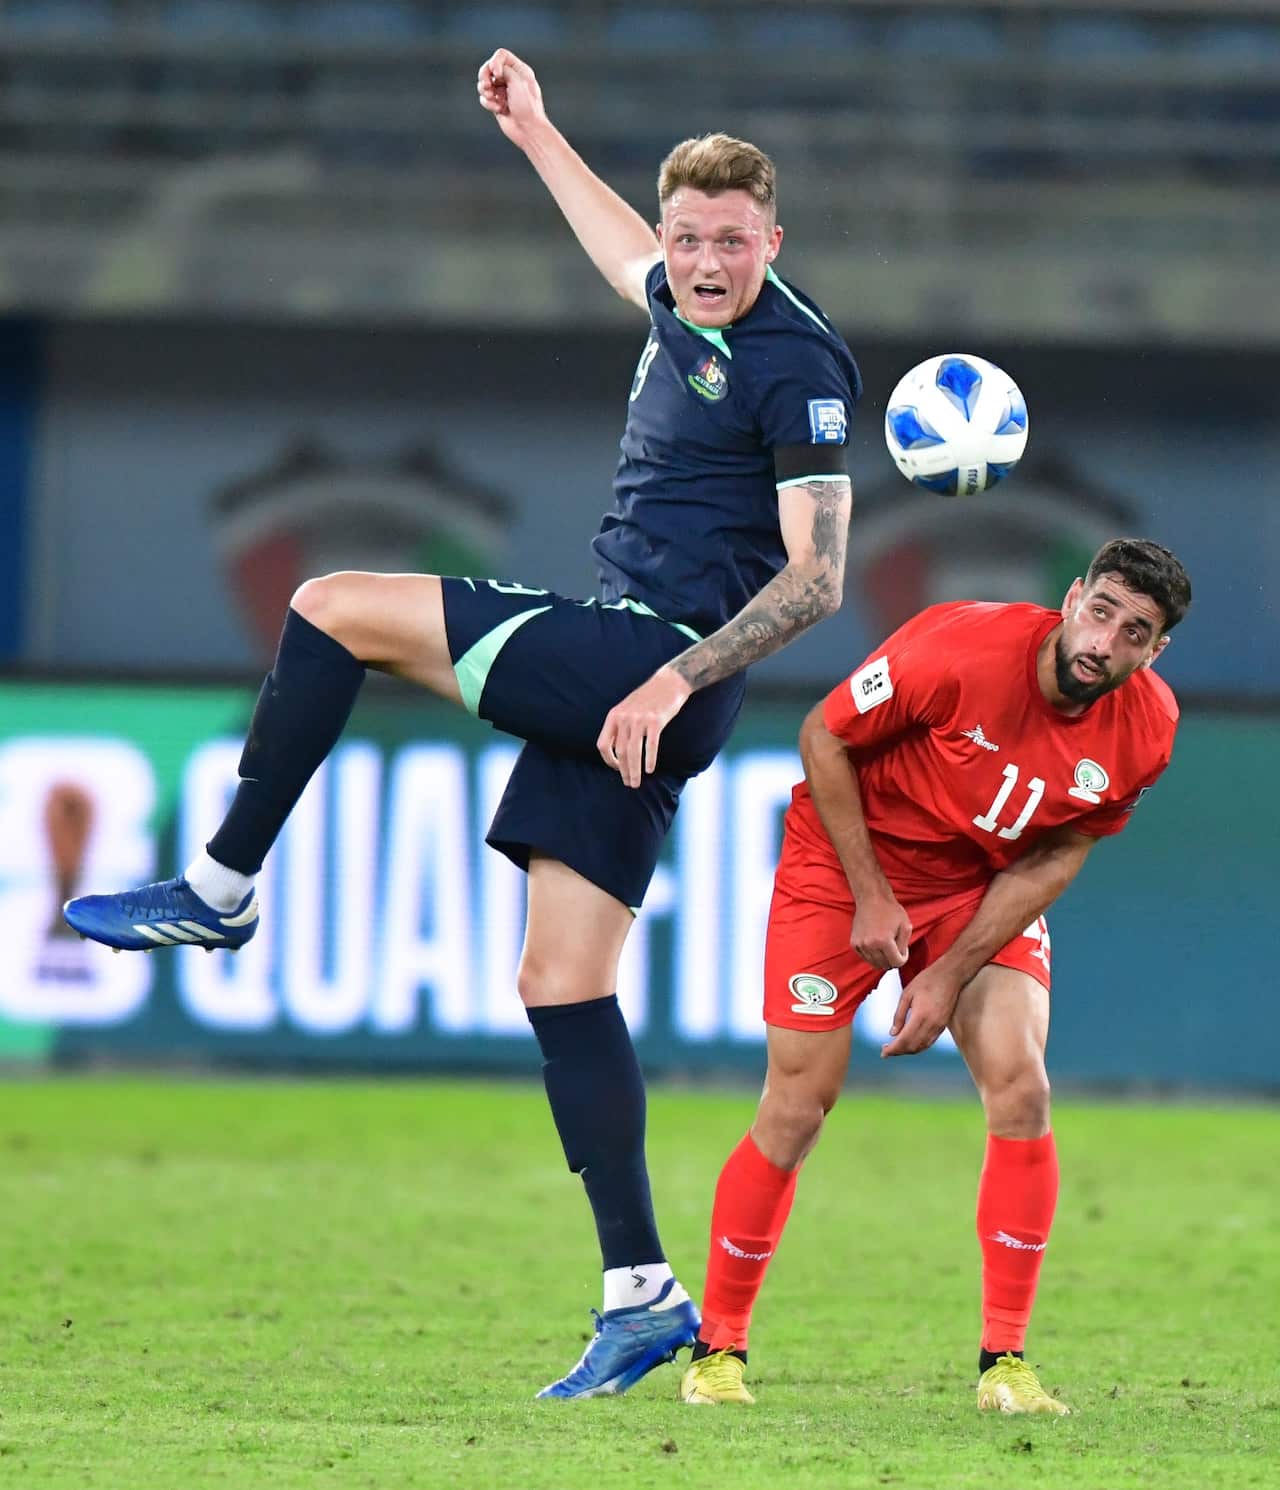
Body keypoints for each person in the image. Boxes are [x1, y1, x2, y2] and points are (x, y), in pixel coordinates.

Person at [64, 49, 863, 1398]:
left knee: (329, 607)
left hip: (654, 660)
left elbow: (821, 576)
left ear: (770, 242)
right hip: (634, 689)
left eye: (730, 240)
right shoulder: (673, 292)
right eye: (687, 237)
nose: (702, 261)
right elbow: (619, 250)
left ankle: (220, 887)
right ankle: (640, 1291)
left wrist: (673, 678)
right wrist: (534, 130)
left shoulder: (798, 360)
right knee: (561, 982)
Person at [678, 538, 1191, 1413]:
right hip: (840, 869)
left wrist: (949, 971)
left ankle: (1006, 1364)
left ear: (1156, 649)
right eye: (1101, 611)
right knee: (798, 1106)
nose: (1105, 641)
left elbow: (1061, 849)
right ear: (1073, 597)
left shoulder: (1148, 727)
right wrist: (872, 896)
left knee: (1022, 1087)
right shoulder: (958, 646)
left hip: (974, 888)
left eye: (1134, 632)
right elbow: (823, 736)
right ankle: (717, 1350)